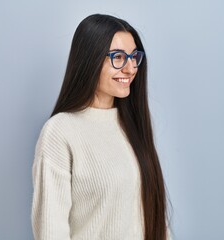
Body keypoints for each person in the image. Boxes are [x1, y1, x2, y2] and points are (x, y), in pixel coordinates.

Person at [31, 14, 171, 240]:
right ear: (90, 60)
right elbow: (51, 232)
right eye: (118, 57)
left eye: (134, 57)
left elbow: (156, 220)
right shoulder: (60, 132)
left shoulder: (135, 125)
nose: (130, 68)